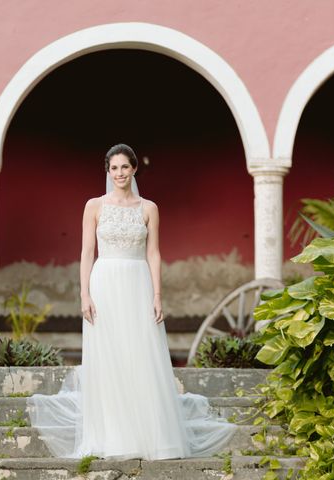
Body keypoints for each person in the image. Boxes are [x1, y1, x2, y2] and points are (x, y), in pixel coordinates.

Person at [27, 143, 236, 460]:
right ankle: (112, 434)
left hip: (137, 284)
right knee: (109, 356)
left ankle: (150, 434)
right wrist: (84, 294)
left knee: (140, 353)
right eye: (114, 168)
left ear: (134, 169)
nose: (119, 173)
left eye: (125, 167)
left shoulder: (149, 208)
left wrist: (157, 295)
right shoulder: (93, 206)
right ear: (107, 171)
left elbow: (154, 253)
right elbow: (86, 253)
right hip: (104, 283)